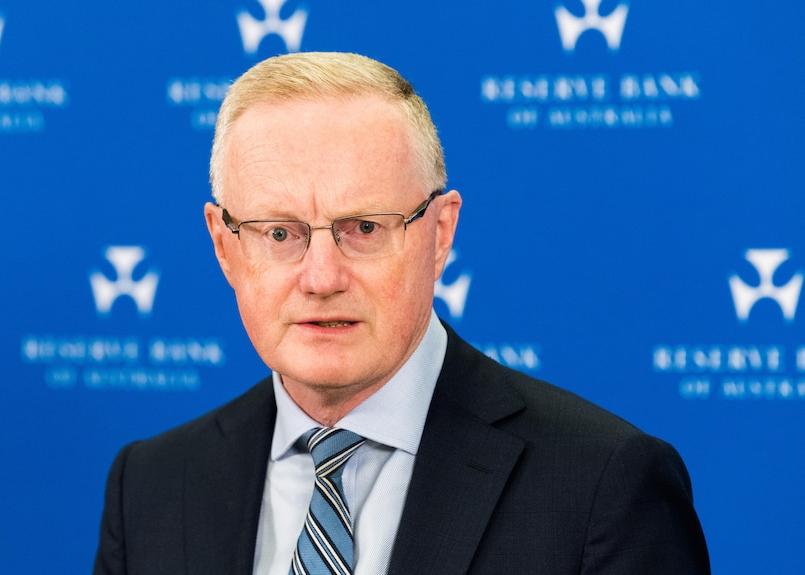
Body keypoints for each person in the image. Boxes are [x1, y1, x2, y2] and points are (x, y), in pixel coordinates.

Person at [94, 52, 710, 574]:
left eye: (363, 227)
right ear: (225, 246)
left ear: (441, 233)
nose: (321, 278)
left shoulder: (603, 485)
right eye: (279, 234)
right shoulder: (150, 484)